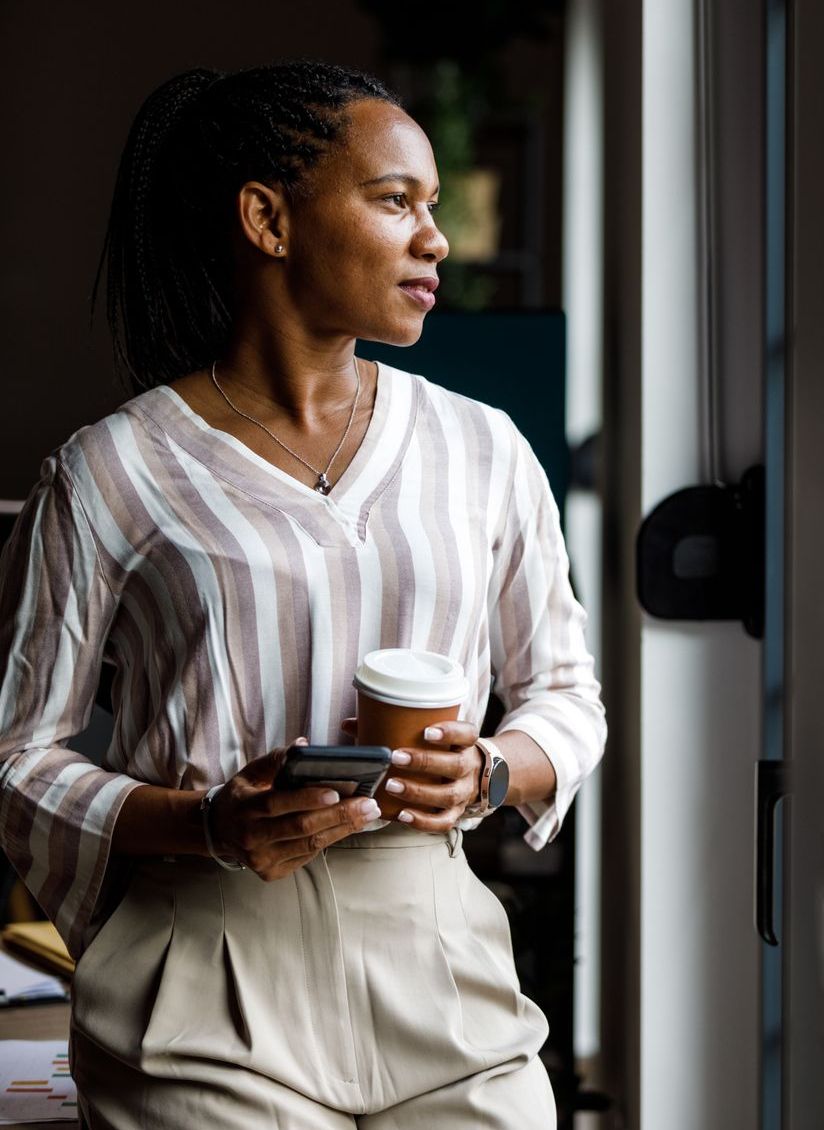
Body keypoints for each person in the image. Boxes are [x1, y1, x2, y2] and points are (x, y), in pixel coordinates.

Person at [0, 61, 606, 1129]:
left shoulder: (482, 449)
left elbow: (564, 691)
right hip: (205, 976)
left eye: (430, 206)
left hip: (442, 967)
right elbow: (18, 756)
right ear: (267, 218)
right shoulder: (108, 474)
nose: (436, 238)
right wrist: (208, 823)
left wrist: (489, 766)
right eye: (394, 201)